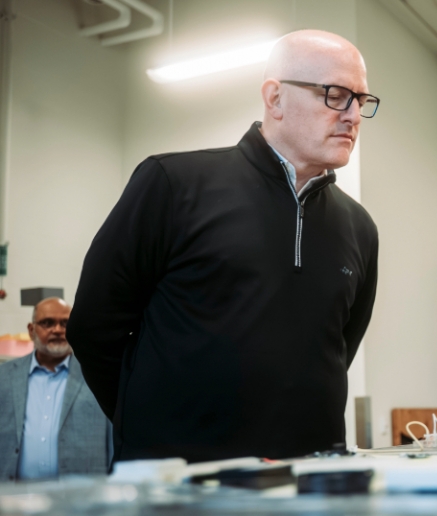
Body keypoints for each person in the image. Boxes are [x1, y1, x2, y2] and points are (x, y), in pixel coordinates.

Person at [67, 30, 379, 462]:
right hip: (180, 487)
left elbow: (338, 351)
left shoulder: (359, 227)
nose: (353, 115)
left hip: (309, 490)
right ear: (274, 99)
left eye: (361, 100)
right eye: (336, 95)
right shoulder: (172, 185)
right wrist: (145, 424)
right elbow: (94, 326)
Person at [1, 298, 111, 480]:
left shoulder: (98, 377)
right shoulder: (3, 377)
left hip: (81, 500)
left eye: (65, 323)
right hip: (13, 499)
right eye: (47, 323)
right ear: (31, 330)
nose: (58, 330)